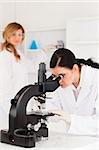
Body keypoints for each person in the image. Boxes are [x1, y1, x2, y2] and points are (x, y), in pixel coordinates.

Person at [46, 48, 99, 136]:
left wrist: (71, 119)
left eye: (62, 75)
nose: (59, 81)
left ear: (74, 69)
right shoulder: (62, 82)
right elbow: (52, 107)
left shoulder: (96, 79)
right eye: (55, 76)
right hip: (73, 139)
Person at [0, 22, 33, 129]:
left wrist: (43, 52)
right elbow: (4, 81)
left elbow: (31, 66)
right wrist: (11, 102)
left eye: (20, 34)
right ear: (7, 35)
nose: (17, 37)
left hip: (19, 99)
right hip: (9, 100)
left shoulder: (18, 53)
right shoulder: (4, 54)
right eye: (14, 34)